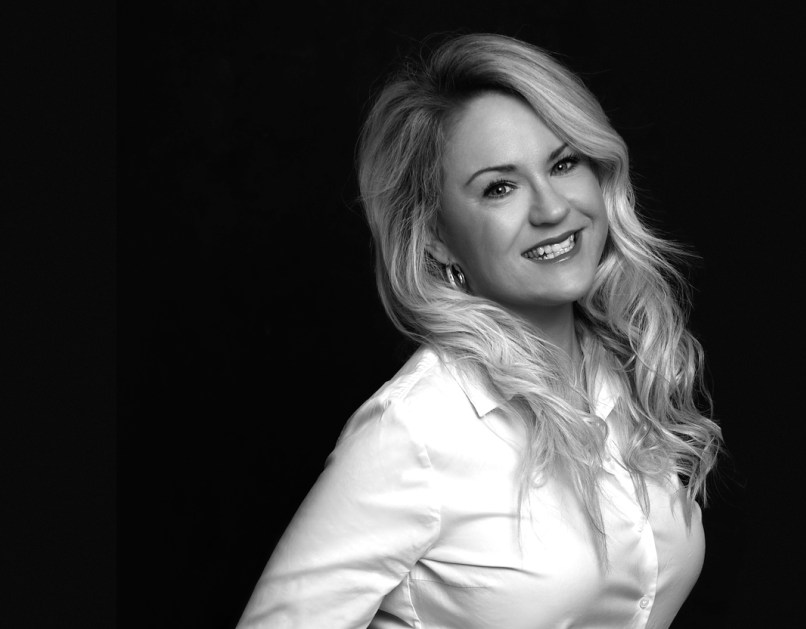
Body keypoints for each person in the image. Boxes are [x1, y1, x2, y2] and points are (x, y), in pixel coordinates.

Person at [237, 33, 721, 629]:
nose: (551, 209)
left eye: (564, 163)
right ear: (437, 238)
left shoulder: (620, 373)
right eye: (499, 187)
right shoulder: (416, 430)